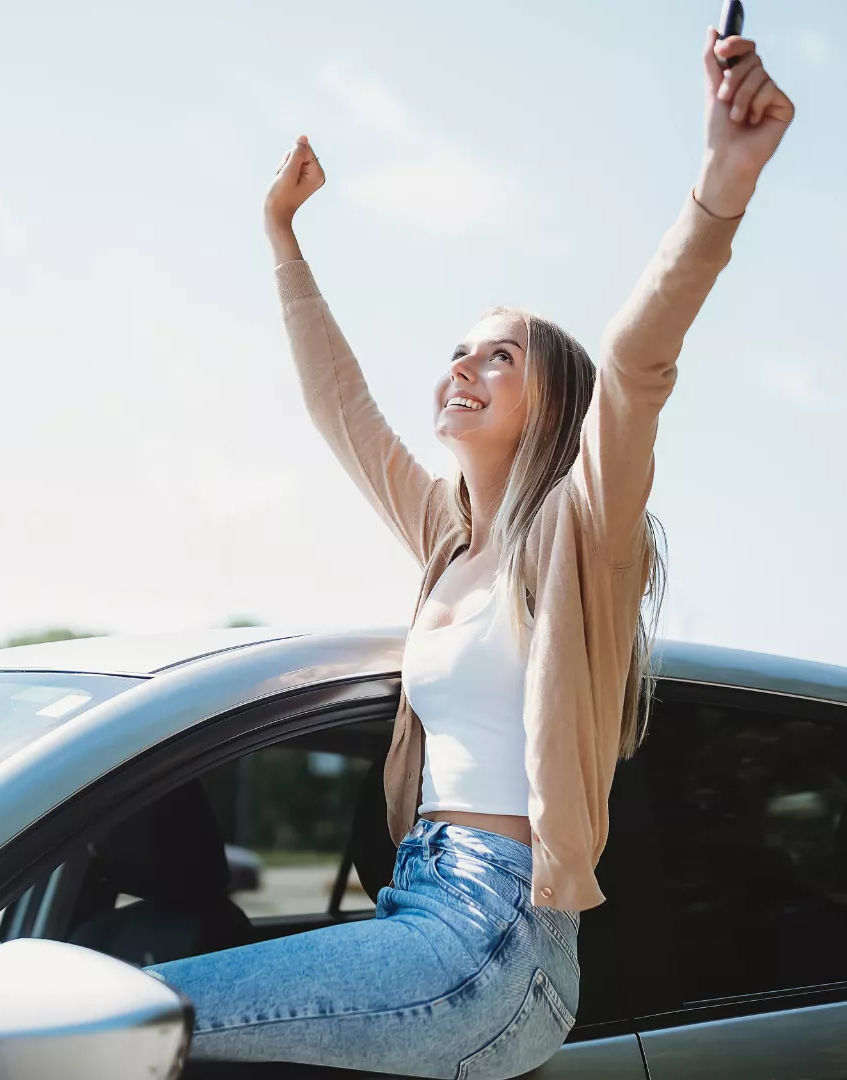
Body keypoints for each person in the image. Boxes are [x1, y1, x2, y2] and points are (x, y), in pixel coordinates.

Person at [146, 24, 793, 1080]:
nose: (466, 367)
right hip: (417, 897)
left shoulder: (580, 536)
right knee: (137, 1010)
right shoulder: (447, 542)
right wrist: (281, 235)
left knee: (131, 1022)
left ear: (555, 403)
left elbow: (637, 364)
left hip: (498, 939)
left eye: (502, 355)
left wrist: (719, 188)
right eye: (458, 351)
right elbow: (341, 408)